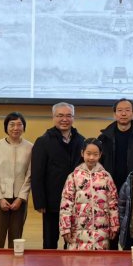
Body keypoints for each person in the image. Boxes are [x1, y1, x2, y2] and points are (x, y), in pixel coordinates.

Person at [99, 98, 133, 249]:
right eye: (120, 110)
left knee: (132, 231)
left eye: (127, 110)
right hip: (110, 190)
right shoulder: (104, 137)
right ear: (114, 114)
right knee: (111, 230)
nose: (123, 113)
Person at [31, 102, 85, 249]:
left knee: (73, 240)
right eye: (60, 115)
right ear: (53, 117)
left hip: (75, 200)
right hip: (51, 201)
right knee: (50, 241)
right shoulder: (43, 141)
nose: (64, 119)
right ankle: (49, 265)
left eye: (68, 115)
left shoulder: (81, 141)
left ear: (73, 118)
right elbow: (37, 173)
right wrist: (39, 201)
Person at [59, 138, 119, 250]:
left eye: (95, 154)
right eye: (88, 153)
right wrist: (65, 228)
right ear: (82, 153)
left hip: (101, 235)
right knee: (77, 260)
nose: (91, 157)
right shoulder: (73, 176)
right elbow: (66, 204)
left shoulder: (106, 177)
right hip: (77, 234)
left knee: (100, 260)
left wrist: (114, 226)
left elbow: (113, 203)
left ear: (100, 155)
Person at [0, 112, 32, 249]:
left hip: (19, 200)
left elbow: (29, 175)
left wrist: (21, 198)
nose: (16, 128)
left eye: (19, 124)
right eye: (12, 124)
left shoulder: (30, 147)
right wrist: (0, 198)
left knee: (16, 239)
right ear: (6, 127)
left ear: (24, 127)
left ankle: (14, 263)